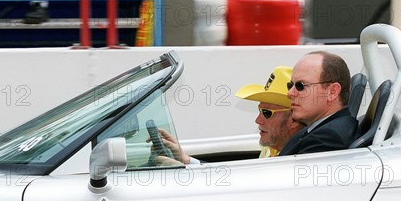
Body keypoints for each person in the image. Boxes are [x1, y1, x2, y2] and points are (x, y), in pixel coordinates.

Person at [153, 66, 304, 165]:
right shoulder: (272, 149)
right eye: (259, 111)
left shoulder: (297, 160)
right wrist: (185, 160)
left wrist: (186, 169)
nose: (258, 119)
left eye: (267, 113)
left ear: (294, 119)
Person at [278, 51, 360, 156]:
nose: (290, 93)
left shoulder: (328, 139)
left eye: (300, 86)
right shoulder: (318, 130)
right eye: (290, 85)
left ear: (332, 92)